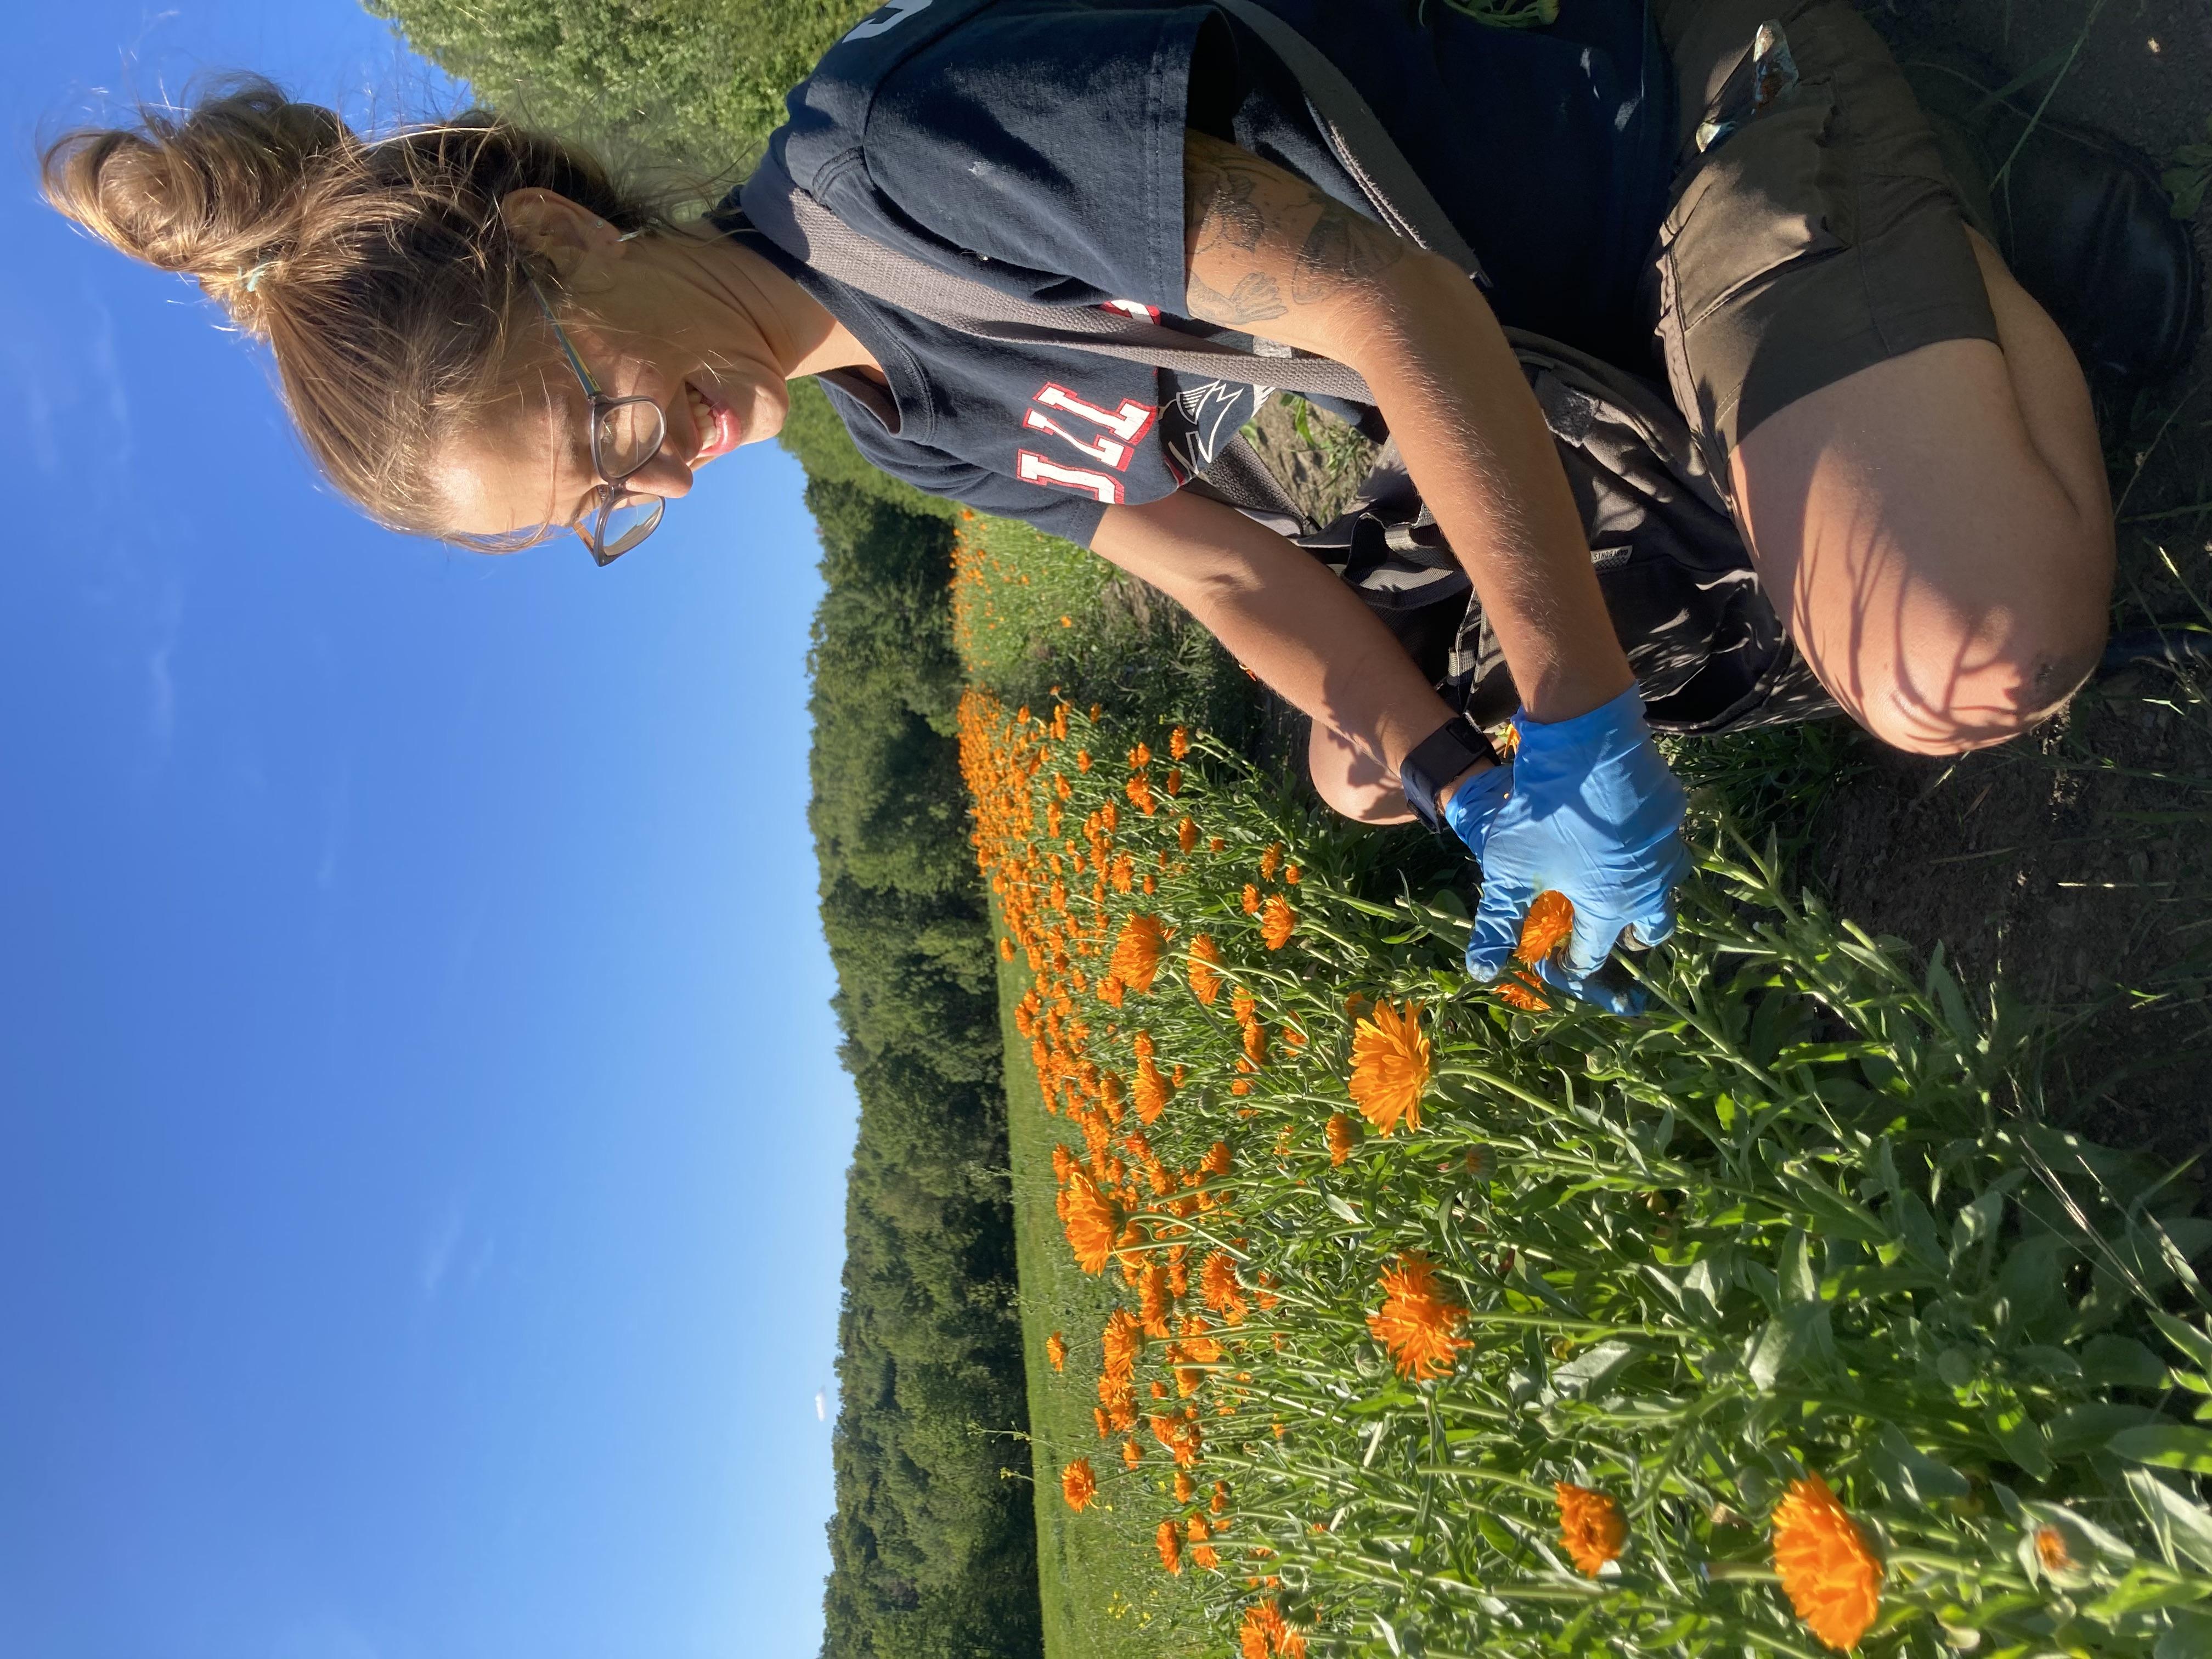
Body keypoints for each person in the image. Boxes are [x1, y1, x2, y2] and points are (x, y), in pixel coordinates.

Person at [44, 0, 2198, 1009]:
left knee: (1966, 652)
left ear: (544, 221)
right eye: (597, 506)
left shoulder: (896, 149)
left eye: (589, 414)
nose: (656, 468)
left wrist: (1579, 726)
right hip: (1582, 345)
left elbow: (1392, 310)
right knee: (1352, 769)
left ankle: (2023, 256)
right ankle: (1865, 413)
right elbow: (1224, 570)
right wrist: (1461, 786)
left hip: (1660, 133)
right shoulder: (894, 423)